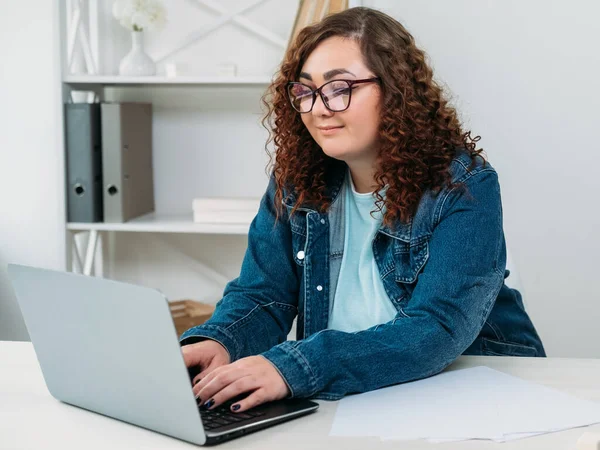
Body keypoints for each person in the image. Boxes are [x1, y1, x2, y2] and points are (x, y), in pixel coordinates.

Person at [179, 6, 545, 414]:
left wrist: (291, 367)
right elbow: (263, 295)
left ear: (395, 91)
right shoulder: (296, 184)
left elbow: (437, 328)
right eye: (305, 91)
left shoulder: (463, 185)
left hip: (472, 391)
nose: (319, 108)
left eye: (339, 88)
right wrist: (218, 341)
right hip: (354, 398)